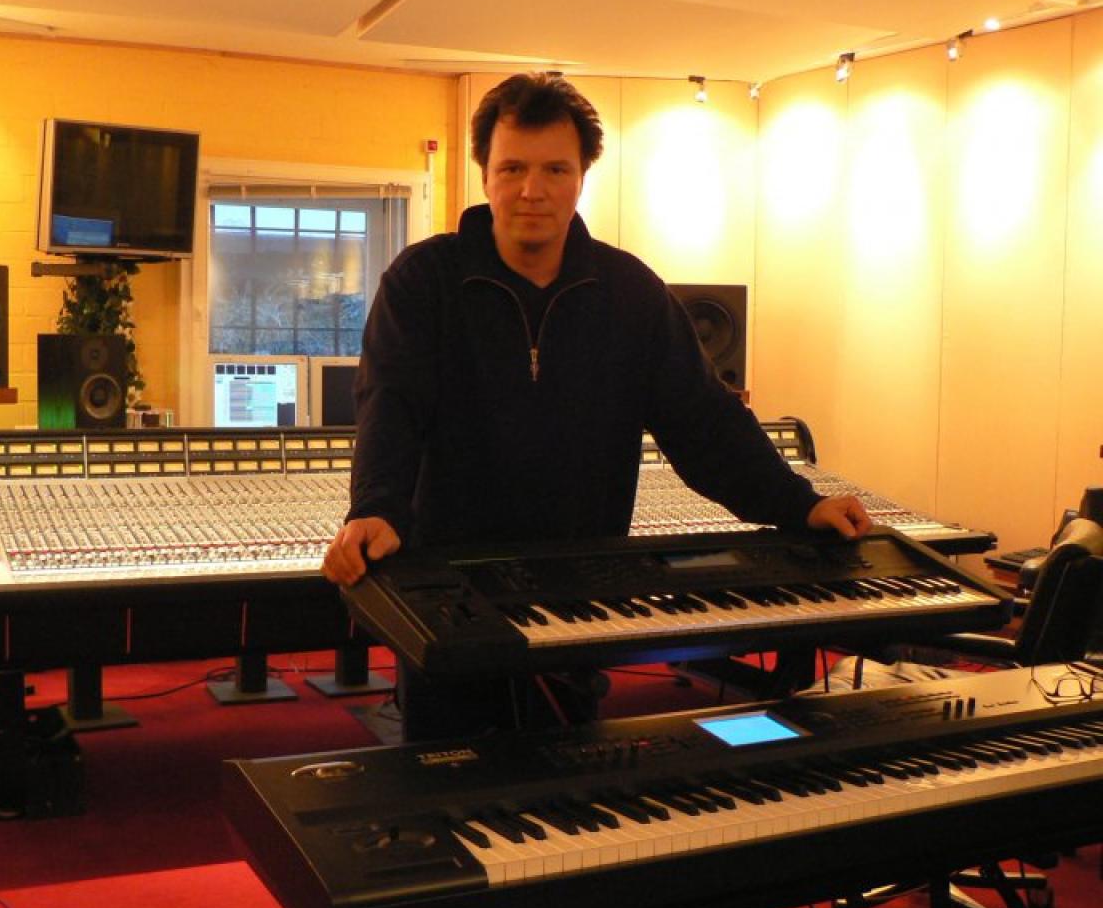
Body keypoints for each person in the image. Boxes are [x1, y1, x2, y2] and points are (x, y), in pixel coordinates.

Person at [323, 72, 871, 737]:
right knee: (450, 767)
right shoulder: (423, 281)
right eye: (513, 168)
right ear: (485, 174)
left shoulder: (630, 293)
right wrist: (377, 507)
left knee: (570, 755)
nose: (532, 189)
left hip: (581, 581)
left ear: (581, 176)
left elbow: (704, 421)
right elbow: (390, 405)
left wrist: (797, 502)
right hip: (450, 582)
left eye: (555, 169)